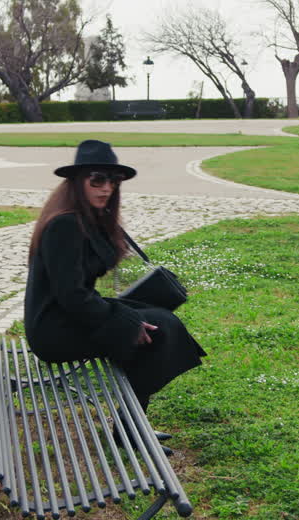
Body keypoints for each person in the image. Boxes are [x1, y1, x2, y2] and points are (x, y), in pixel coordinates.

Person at [24, 139, 206, 416]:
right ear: (77, 182)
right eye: (97, 180)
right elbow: (71, 295)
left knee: (157, 319)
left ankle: (133, 424)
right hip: (53, 329)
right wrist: (121, 318)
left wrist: (122, 314)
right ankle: (131, 427)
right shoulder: (65, 225)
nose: (107, 188)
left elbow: (78, 295)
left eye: (113, 180)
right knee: (157, 330)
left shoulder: (88, 219)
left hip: (69, 315)